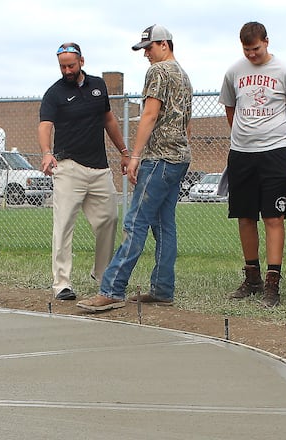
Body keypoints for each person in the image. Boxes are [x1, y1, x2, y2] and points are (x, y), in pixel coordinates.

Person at [77, 24, 192, 312]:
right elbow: (185, 121)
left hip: (158, 158)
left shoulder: (159, 72)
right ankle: (163, 289)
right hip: (178, 157)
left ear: (165, 44)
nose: (146, 55)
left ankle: (112, 289)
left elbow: (150, 114)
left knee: (135, 223)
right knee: (165, 226)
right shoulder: (184, 75)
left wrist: (135, 156)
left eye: (149, 48)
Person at [218, 21, 286, 308]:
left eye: (255, 48)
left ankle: (272, 282)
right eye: (246, 50)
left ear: (266, 42)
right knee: (245, 216)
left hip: (275, 155)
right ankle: (252, 277)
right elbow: (230, 108)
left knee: (273, 217)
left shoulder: (285, 72)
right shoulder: (234, 71)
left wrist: (282, 138)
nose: (251, 55)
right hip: (241, 154)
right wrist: (242, 136)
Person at [38, 42, 130, 301]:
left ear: (82, 62)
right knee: (64, 225)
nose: (66, 70)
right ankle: (62, 283)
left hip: (99, 169)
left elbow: (109, 120)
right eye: (62, 66)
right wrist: (47, 152)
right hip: (68, 167)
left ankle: (103, 275)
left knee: (109, 221)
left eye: (71, 65)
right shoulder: (54, 93)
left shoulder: (98, 86)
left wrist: (124, 151)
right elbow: (45, 125)